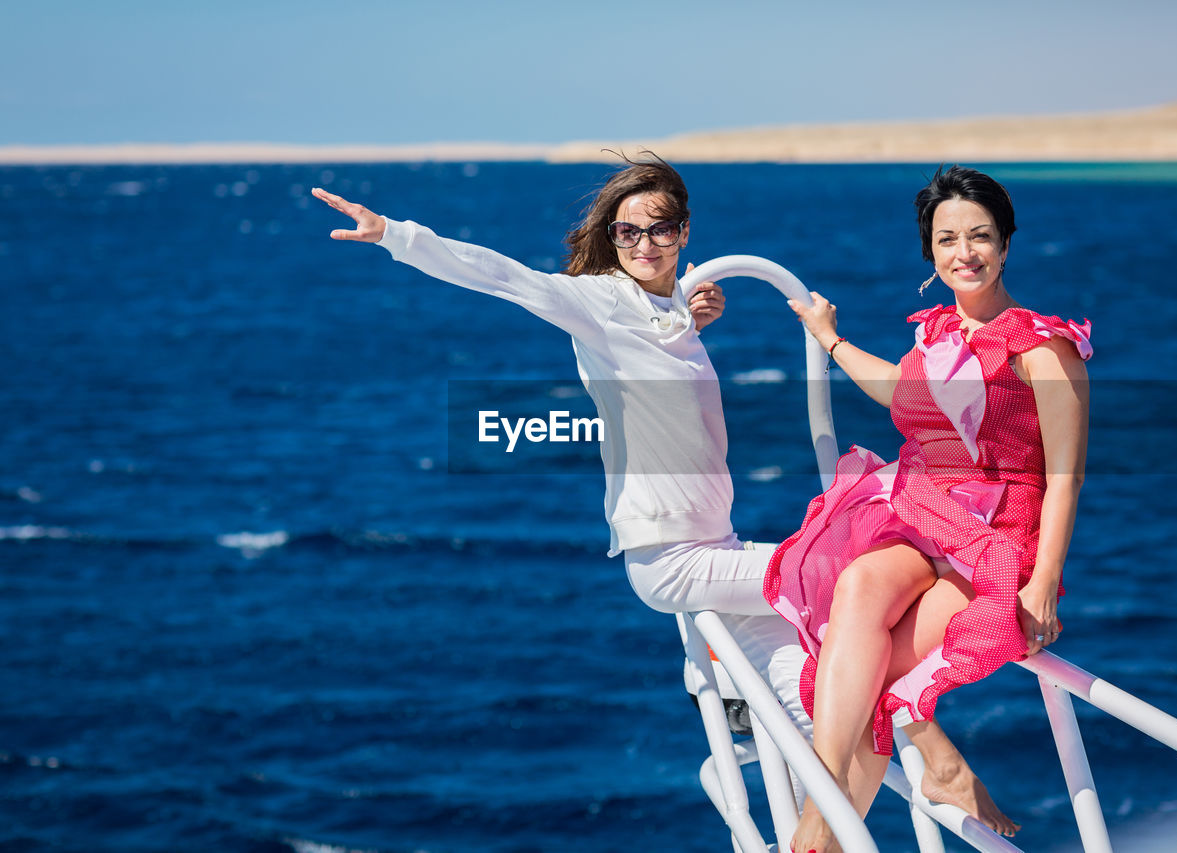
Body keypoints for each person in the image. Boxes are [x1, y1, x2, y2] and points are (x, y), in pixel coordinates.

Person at [312, 155, 1011, 833]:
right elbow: (504, 276)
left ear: (683, 233)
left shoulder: (668, 311)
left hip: (717, 546)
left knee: (820, 688)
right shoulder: (597, 304)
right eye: (628, 232)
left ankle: (810, 825)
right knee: (841, 585)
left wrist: (687, 312)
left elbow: (661, 347)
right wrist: (395, 235)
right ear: (613, 240)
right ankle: (941, 761)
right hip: (671, 555)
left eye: (660, 228)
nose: (645, 243)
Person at [768, 165, 1091, 853]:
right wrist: (828, 338)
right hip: (924, 512)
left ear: (1006, 244)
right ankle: (857, 797)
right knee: (855, 589)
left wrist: (1041, 583)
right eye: (947, 239)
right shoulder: (935, 333)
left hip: (997, 540)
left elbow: (1066, 473)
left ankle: (820, 822)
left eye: (979, 236)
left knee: (871, 681)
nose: (963, 253)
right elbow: (902, 398)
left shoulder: (1043, 346)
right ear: (931, 251)